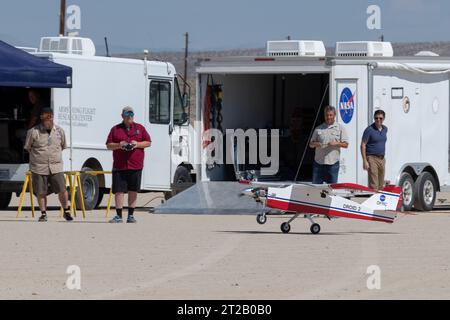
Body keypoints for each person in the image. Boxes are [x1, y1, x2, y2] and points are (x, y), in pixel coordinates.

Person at [24, 108, 72, 222]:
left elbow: (63, 146)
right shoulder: (33, 132)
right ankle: (43, 213)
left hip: (56, 166)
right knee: (41, 191)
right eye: (45, 117)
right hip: (39, 167)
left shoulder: (60, 131)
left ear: (52, 117)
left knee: (63, 190)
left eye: (49, 116)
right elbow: (28, 147)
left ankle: (66, 211)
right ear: (41, 118)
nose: (47, 119)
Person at [106, 106, 151, 223]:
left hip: (135, 165)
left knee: (133, 190)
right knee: (119, 191)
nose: (129, 117)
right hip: (120, 165)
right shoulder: (115, 129)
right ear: (122, 116)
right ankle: (119, 215)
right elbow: (108, 145)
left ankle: (131, 215)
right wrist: (119, 145)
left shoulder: (140, 128)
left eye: (131, 115)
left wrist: (137, 144)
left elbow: (148, 142)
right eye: (127, 115)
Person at [309, 106, 349, 184]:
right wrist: (317, 144)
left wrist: (336, 143)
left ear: (334, 115)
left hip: (333, 164)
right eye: (327, 115)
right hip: (319, 163)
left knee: (332, 188)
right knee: (316, 188)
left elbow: (346, 144)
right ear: (324, 116)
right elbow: (311, 144)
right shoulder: (318, 129)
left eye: (331, 115)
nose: (329, 117)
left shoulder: (340, 128)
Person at [361, 110, 388, 190]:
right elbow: (363, 145)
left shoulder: (385, 129)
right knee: (374, 183)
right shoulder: (369, 130)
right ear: (374, 118)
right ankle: (373, 200)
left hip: (382, 158)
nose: (378, 120)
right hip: (372, 158)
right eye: (376, 118)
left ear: (383, 119)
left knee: (381, 183)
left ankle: (379, 201)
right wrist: (365, 161)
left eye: (380, 118)